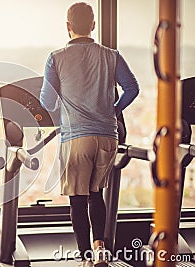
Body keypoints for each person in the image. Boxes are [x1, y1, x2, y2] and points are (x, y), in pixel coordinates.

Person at [40, 2, 139, 267]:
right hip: (108, 136)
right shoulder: (111, 55)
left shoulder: (56, 58)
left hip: (76, 137)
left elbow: (47, 102)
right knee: (97, 194)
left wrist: (63, 103)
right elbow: (132, 88)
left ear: (68, 27)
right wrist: (112, 110)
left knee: (78, 199)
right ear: (93, 26)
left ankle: (85, 257)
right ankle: (100, 249)